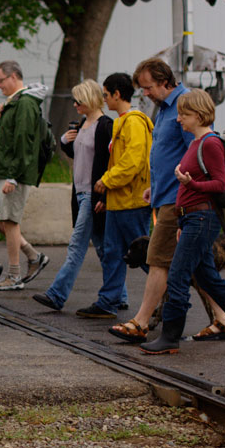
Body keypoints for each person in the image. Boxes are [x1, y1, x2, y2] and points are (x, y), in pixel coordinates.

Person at [108, 59, 225, 342]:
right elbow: (170, 154)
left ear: (165, 81)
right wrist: (154, 187)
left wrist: (182, 197)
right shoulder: (165, 107)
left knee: (157, 259)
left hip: (178, 201)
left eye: (148, 87)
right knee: (199, 266)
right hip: (167, 195)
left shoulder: (185, 106)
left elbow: (198, 154)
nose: (145, 93)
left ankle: (141, 323)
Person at [138, 89, 225, 354]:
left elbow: (219, 184)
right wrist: (182, 223)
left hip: (201, 219)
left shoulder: (210, 143)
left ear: (197, 115)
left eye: (183, 115)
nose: (178, 119)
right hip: (192, 219)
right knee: (207, 279)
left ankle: (170, 337)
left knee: (177, 276)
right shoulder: (196, 143)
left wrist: (190, 183)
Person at [32, 79, 113, 314]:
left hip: (92, 193)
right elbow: (80, 155)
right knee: (102, 247)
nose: (75, 105)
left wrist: (104, 196)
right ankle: (118, 294)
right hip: (80, 192)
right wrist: (64, 142)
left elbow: (107, 162)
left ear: (89, 99)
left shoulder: (105, 126)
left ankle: (57, 294)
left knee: (77, 245)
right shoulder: (83, 123)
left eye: (78, 101)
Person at [83, 72, 154, 318]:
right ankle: (108, 301)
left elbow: (132, 161)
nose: (104, 100)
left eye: (106, 95)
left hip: (132, 202)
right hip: (118, 201)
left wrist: (106, 181)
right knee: (113, 252)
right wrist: (107, 197)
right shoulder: (121, 122)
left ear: (117, 94)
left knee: (144, 255)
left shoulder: (133, 123)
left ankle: (171, 294)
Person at [0, 60, 50, 290]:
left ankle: (14, 276)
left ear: (13, 77)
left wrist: (13, 176)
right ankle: (34, 256)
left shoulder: (25, 103)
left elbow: (24, 141)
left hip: (13, 173)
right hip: (4, 171)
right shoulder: (15, 102)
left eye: (1, 80)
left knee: (11, 222)